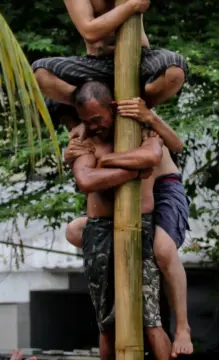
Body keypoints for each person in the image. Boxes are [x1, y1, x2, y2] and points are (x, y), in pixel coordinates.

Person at [66, 81, 193, 358]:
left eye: (97, 119)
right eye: (87, 121)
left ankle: (183, 327)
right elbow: (86, 180)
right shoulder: (85, 138)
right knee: (75, 231)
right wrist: (130, 170)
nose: (93, 125)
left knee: (163, 252)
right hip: (104, 227)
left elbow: (158, 153)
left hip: (156, 201)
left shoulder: (140, 123)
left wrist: (108, 161)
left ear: (113, 107)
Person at [31, 0, 189, 127]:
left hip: (139, 58)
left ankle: (136, 106)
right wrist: (130, 6)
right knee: (40, 72)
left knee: (175, 69)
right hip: (96, 63)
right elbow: (89, 31)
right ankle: (89, 108)